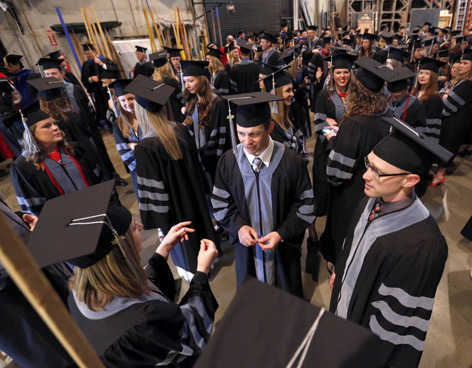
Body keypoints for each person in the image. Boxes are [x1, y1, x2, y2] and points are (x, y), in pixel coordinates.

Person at [330, 118, 450, 368]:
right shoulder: (371, 198)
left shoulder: (423, 246)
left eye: (378, 171)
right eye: (368, 164)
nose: (365, 175)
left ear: (410, 180)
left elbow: (398, 329)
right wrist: (342, 272)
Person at [68, 203, 219, 367]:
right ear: (122, 248)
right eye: (133, 228)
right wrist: (201, 272)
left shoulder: (78, 293)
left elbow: (136, 293)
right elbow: (191, 334)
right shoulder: (141, 323)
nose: (141, 226)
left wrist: (163, 250)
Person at [211, 92, 316, 297]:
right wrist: (239, 228)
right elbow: (220, 203)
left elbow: (306, 205)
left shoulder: (291, 161)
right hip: (246, 250)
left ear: (269, 128)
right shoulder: (228, 162)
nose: (246, 141)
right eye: (241, 133)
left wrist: (282, 233)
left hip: (283, 248)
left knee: (287, 302)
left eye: (254, 134)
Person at [126, 76, 220, 281]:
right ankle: (208, 260)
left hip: (176, 212)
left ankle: (192, 270)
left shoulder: (145, 147)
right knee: (199, 230)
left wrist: (162, 225)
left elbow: (154, 194)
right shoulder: (180, 129)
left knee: (185, 246)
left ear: (140, 111)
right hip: (195, 200)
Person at [323, 56, 395, 264]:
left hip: (352, 192)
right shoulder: (387, 113)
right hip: (377, 189)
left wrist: (333, 140)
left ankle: (340, 264)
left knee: (346, 232)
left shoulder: (354, 124)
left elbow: (336, 173)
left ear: (355, 91)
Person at [0, 199, 74, 368]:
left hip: (39, 277)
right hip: (14, 306)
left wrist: (20, 221)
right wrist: (27, 248)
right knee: (60, 359)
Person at [39, 57, 128, 186]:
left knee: (100, 154)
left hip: (88, 129)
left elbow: (89, 109)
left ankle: (113, 176)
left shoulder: (74, 89)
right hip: (68, 135)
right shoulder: (47, 96)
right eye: (47, 74)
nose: (50, 77)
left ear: (62, 73)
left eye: (54, 73)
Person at [8, 104, 105, 214]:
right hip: (64, 223)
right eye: (47, 126)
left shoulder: (75, 149)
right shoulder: (23, 167)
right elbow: (34, 209)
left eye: (54, 123)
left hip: (96, 210)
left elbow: (99, 180)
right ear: (32, 134)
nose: (55, 127)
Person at [312, 52, 356, 257]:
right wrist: (332, 136)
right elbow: (319, 121)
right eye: (339, 72)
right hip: (327, 148)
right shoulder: (324, 94)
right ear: (333, 72)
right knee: (324, 180)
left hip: (348, 147)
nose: (342, 76)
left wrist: (336, 124)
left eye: (346, 72)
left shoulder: (356, 94)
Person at [182, 60, 230, 182]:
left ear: (201, 80)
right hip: (199, 156)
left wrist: (203, 152)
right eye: (185, 81)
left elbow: (219, 134)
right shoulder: (193, 100)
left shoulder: (216, 102)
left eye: (190, 81)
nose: (187, 85)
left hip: (212, 158)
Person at [435, 50, 472, 185]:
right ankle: (439, 172)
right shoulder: (462, 80)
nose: (461, 66)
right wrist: (445, 95)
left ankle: (439, 175)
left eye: (465, 63)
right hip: (452, 119)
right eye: (460, 62)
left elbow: (449, 103)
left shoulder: (469, 84)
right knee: (444, 143)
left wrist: (445, 96)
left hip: (457, 121)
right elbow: (444, 92)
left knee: (448, 145)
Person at [108, 79, 141, 198]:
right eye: (123, 100)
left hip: (156, 166)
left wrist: (135, 146)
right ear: (118, 102)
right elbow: (123, 151)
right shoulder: (119, 124)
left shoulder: (147, 116)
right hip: (138, 172)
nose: (127, 103)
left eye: (131, 98)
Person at [262, 68, 303, 153]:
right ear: (275, 94)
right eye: (288, 90)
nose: (292, 94)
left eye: (291, 90)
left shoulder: (287, 117)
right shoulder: (270, 127)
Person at [80, 43, 120, 127]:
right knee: (103, 109)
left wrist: (101, 64)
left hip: (108, 90)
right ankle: (111, 126)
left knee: (114, 107)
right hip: (97, 92)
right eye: (86, 53)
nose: (87, 55)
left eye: (89, 53)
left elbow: (115, 71)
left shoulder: (104, 60)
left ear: (94, 51)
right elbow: (84, 78)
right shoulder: (86, 64)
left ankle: (119, 123)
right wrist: (91, 79)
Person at [411, 58, 445, 143]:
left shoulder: (435, 98)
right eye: (421, 73)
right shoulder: (415, 92)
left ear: (433, 77)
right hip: (410, 133)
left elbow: (430, 126)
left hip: (421, 139)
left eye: (427, 73)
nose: (422, 76)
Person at [150, 51, 185, 123]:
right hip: (175, 116)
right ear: (167, 66)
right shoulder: (171, 82)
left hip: (162, 118)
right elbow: (181, 99)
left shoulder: (152, 82)